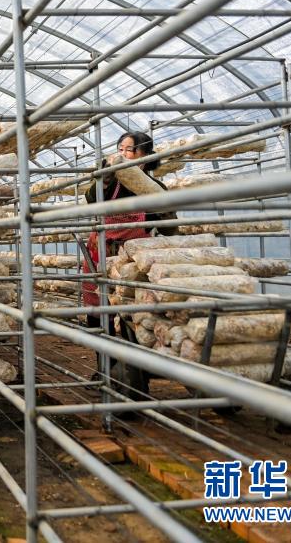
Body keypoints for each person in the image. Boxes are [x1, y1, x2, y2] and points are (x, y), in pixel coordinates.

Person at [81, 131, 176, 397]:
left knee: (133, 315)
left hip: (133, 260)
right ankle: (104, 367)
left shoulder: (155, 188)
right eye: (121, 148)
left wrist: (170, 219)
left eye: (131, 150)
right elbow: (91, 199)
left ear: (145, 156)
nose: (124, 153)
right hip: (100, 255)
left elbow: (166, 225)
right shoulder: (108, 183)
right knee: (99, 314)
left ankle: (137, 370)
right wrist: (107, 176)